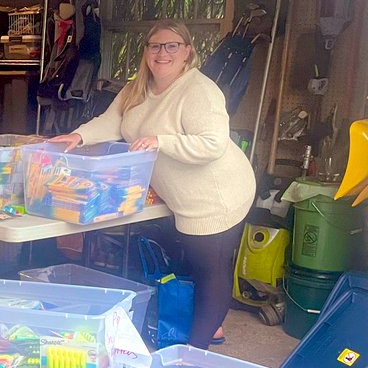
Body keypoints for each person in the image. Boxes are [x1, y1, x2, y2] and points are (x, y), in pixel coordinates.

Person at [52, 19, 255, 348]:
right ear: (146, 51)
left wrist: (161, 141)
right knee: (192, 264)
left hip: (218, 193)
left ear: (187, 51)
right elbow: (113, 121)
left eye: (172, 46)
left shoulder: (199, 91)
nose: (163, 53)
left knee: (211, 269)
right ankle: (208, 326)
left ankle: (193, 353)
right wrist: (79, 136)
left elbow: (213, 144)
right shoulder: (137, 88)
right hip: (182, 196)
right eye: (155, 46)